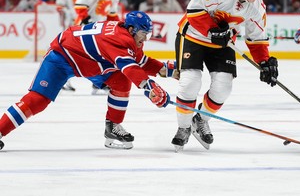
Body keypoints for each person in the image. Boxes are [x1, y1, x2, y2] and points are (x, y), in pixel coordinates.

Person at [0, 11, 177, 151]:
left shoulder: (130, 38)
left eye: (147, 34)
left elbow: (140, 61)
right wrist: (150, 88)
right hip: (63, 57)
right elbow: (129, 67)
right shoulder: (119, 39)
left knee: (122, 81)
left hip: (90, 61)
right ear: (131, 30)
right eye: (143, 34)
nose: (145, 39)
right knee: (38, 100)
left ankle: (112, 127)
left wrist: (168, 70)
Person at [172, 0, 279, 151]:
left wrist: (264, 62)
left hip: (222, 43)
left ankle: (200, 120)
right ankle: (183, 126)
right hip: (193, 36)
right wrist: (212, 30)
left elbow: (257, 37)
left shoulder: (257, 7)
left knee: (223, 87)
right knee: (190, 83)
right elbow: (194, 10)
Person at [74, 0, 121, 95]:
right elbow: (80, 4)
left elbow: (112, 13)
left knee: (100, 56)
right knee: (85, 57)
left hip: (99, 28)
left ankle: (98, 82)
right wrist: (87, 22)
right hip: (84, 26)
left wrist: (117, 27)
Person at [55, 0, 86, 91]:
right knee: (67, 52)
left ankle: (99, 81)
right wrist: (68, 13)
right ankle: (63, 80)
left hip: (83, 26)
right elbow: (59, 6)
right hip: (70, 27)